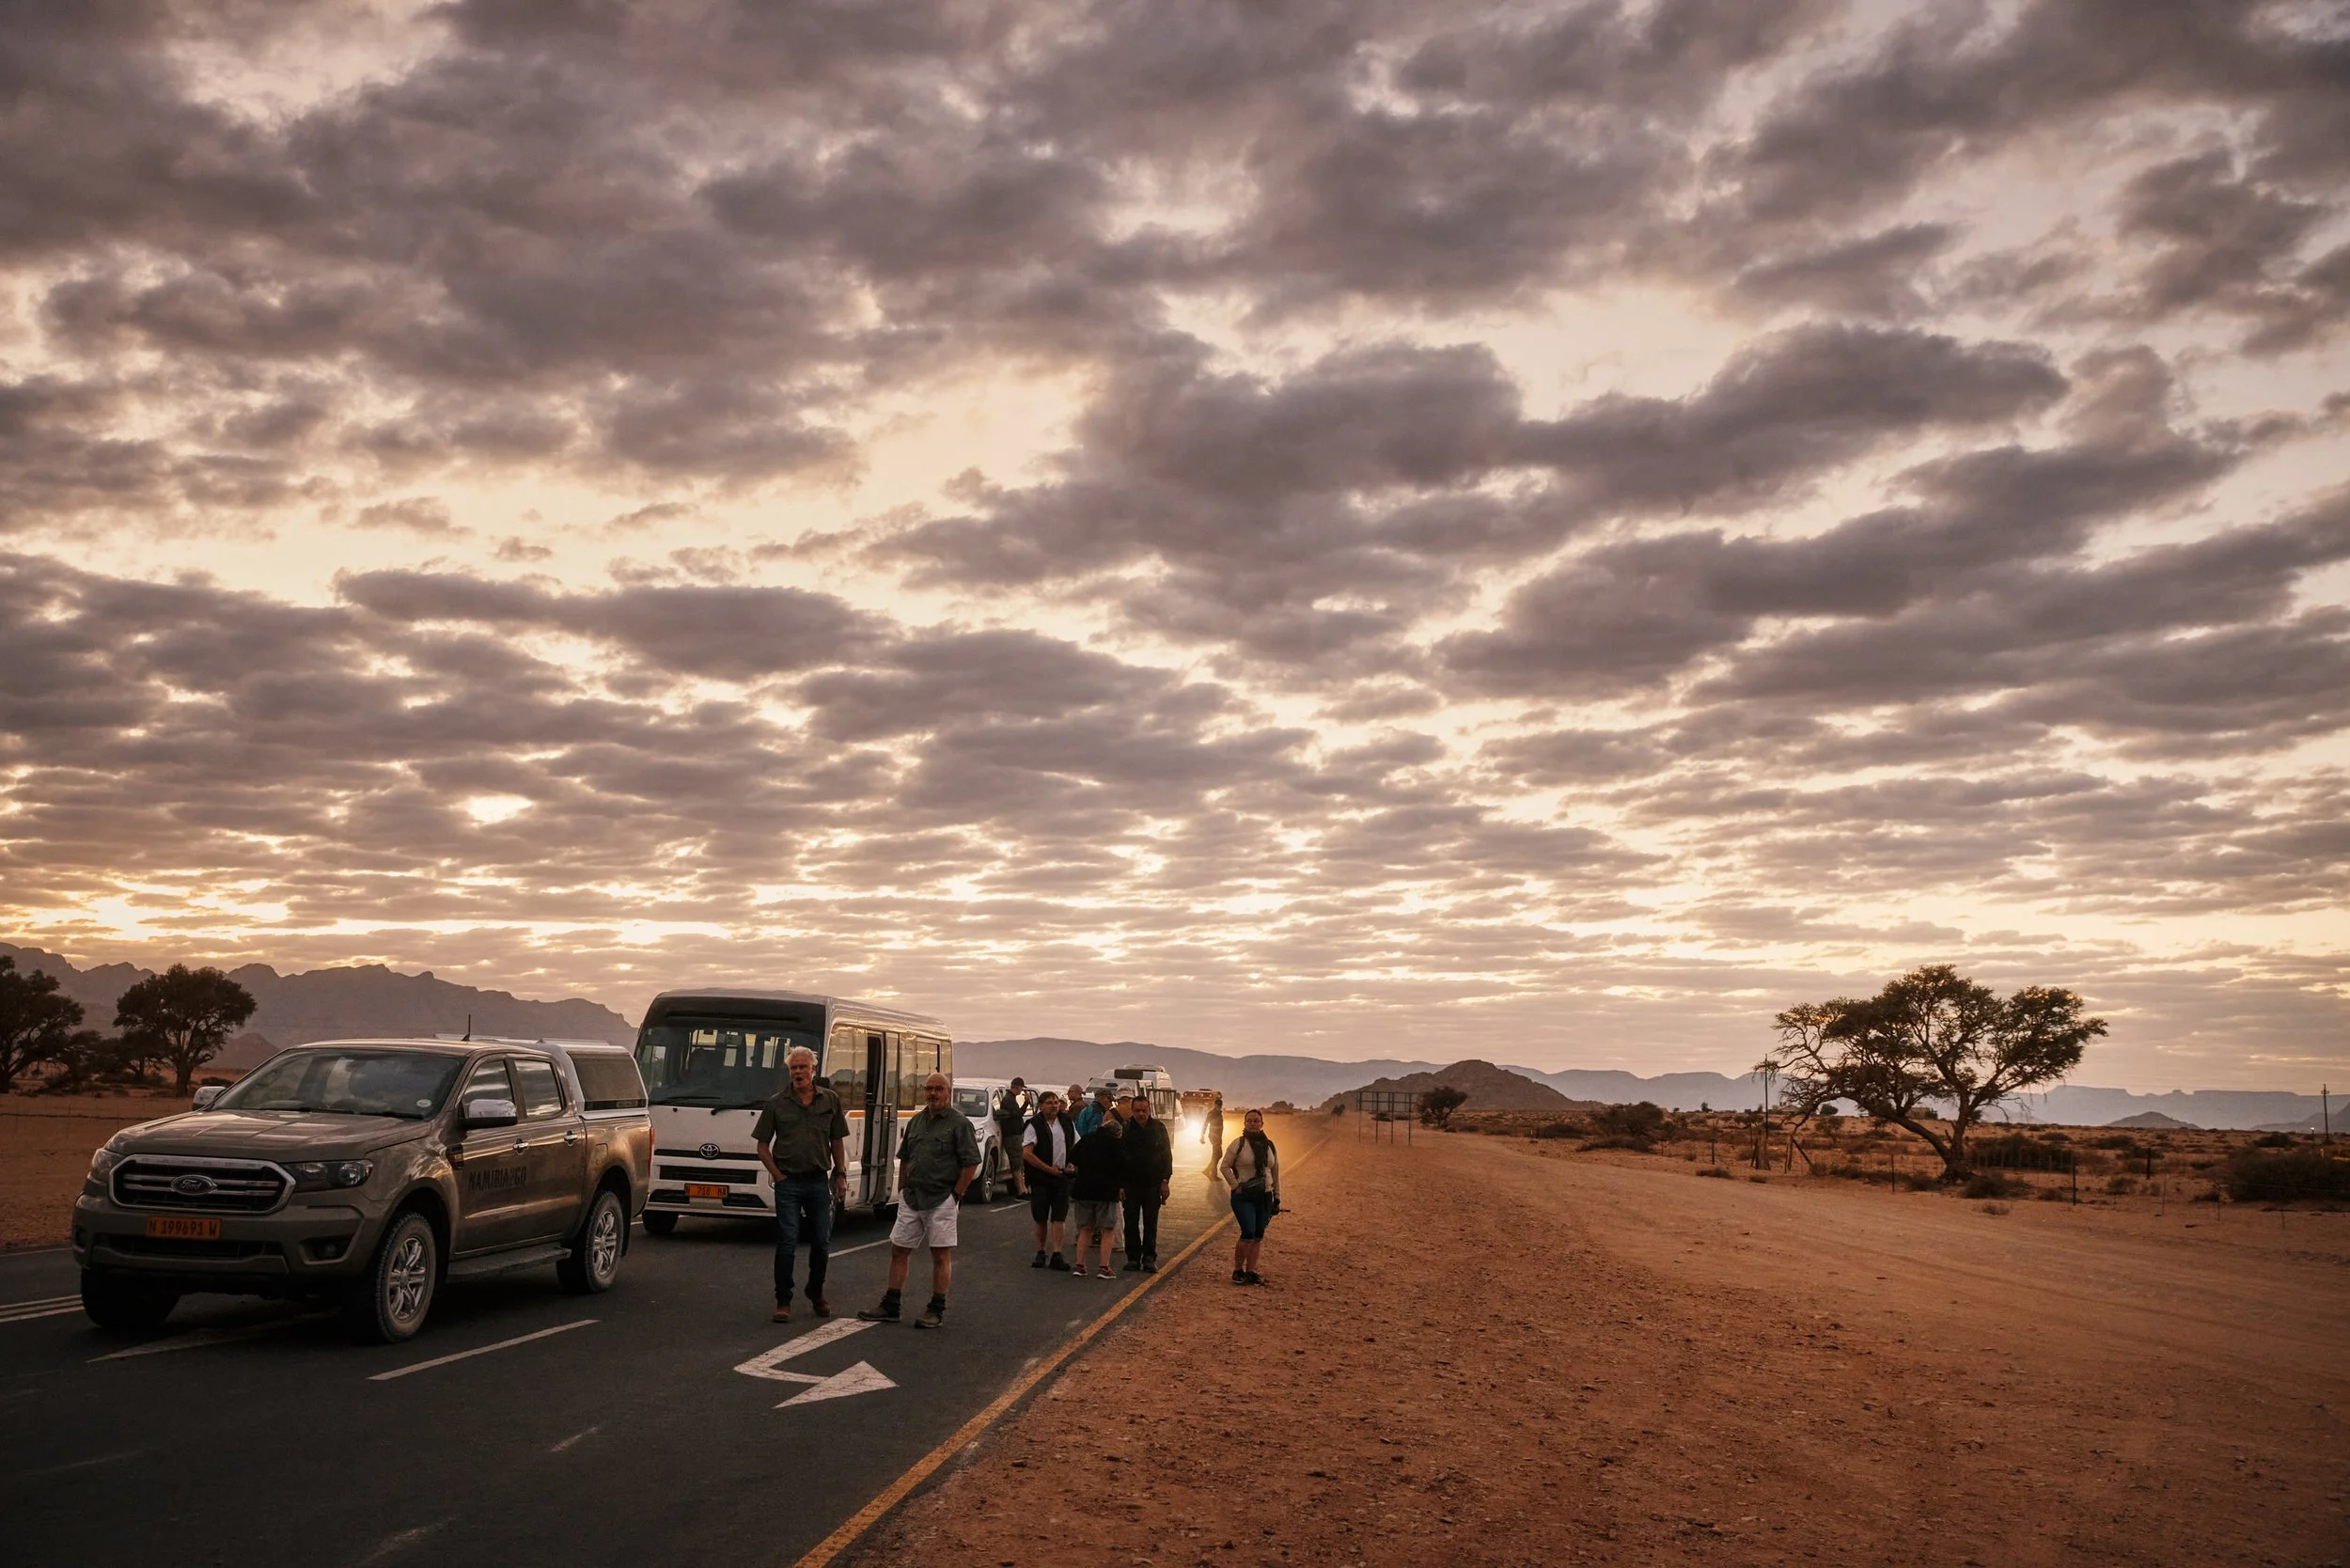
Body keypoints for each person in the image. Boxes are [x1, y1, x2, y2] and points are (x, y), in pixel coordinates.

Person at [858, 1073, 979, 1329]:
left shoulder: (959, 1124)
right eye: (929, 1089)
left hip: (941, 1199)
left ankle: (936, 1308)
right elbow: (906, 1157)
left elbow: (971, 1163)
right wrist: (902, 1189)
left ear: (948, 1091)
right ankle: (891, 1305)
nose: (932, 1093)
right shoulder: (916, 1121)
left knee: (939, 1254)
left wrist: (956, 1195)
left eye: (938, 1089)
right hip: (912, 1198)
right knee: (899, 1249)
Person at [752, 1045, 849, 1322]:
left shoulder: (830, 1100)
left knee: (821, 1241)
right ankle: (783, 1300)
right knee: (787, 1241)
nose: (798, 1072)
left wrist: (840, 1174)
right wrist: (778, 1176)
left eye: (802, 1067)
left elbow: (837, 1140)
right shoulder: (777, 1103)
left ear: (813, 1071)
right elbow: (761, 1146)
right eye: (793, 1068)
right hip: (789, 1183)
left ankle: (815, 1291)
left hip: (819, 1182)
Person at [1217, 1106, 1279, 1286]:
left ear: (1262, 1124)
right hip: (1243, 1196)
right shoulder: (1238, 1144)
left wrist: (1277, 1196)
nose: (1253, 1124)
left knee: (1258, 1235)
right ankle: (1238, 1270)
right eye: (1249, 1121)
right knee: (1248, 1232)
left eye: (1256, 1121)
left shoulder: (1270, 1146)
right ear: (1244, 1123)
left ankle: (1250, 1272)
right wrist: (1235, 1186)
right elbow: (1224, 1166)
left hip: (1265, 1196)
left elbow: (1275, 1171)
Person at [1067, 1093, 1125, 1279]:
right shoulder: (1116, 1144)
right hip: (1106, 1192)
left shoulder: (1087, 1139)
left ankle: (1080, 1265)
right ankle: (1103, 1267)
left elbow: (1073, 1158)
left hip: (1084, 1190)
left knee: (1086, 1228)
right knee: (1108, 1229)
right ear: (1117, 1133)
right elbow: (1123, 1167)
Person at [1119, 1090, 1172, 1273]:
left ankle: (1149, 1258)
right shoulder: (1125, 1128)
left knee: (1151, 1223)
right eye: (1137, 1110)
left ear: (1149, 1110)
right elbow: (1120, 1158)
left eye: (1144, 1110)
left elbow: (1167, 1156)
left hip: (1153, 1185)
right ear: (1132, 1111)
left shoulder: (1159, 1128)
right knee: (1131, 1223)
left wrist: (1165, 1181)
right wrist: (1120, 1185)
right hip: (1131, 1186)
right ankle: (1133, 1258)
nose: (1141, 1114)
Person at [1024, 1090, 1075, 1269]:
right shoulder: (1034, 1125)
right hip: (1040, 1178)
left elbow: (1076, 1144)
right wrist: (1048, 1169)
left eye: (1056, 1102)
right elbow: (1027, 1154)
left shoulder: (1066, 1122)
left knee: (1059, 1216)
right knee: (1040, 1217)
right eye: (1049, 1103)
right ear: (1041, 1106)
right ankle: (1040, 1252)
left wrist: (1072, 1164)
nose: (1054, 1106)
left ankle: (1057, 1253)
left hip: (1061, 1177)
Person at [995, 1077, 1030, 1198]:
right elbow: (1017, 1115)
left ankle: (1022, 1189)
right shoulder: (1009, 1100)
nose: (1021, 1091)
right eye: (1021, 1088)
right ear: (1018, 1087)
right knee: (1016, 1163)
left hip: (1013, 1135)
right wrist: (1026, 1103)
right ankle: (1021, 1190)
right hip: (1013, 1135)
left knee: (1018, 1163)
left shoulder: (1009, 1099)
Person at [1200, 1090, 1226, 1174]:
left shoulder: (1219, 1113)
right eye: (1218, 1105)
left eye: (1220, 1105)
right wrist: (1202, 1135)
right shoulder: (1212, 1113)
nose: (1219, 1106)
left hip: (1218, 1137)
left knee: (1219, 1155)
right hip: (1214, 1136)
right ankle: (1213, 1174)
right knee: (1216, 1155)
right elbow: (1205, 1124)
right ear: (1215, 1105)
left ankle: (1208, 1170)